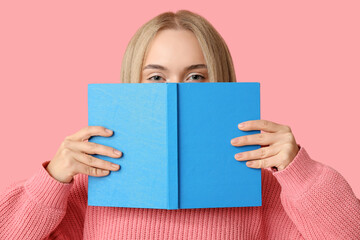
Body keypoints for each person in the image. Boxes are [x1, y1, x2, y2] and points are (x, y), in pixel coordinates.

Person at [0, 9, 359, 240]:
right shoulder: (92, 179)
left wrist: (301, 172)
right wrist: (52, 180)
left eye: (195, 77)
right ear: (131, 85)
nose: (174, 91)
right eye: (156, 78)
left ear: (221, 82)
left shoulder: (260, 181)